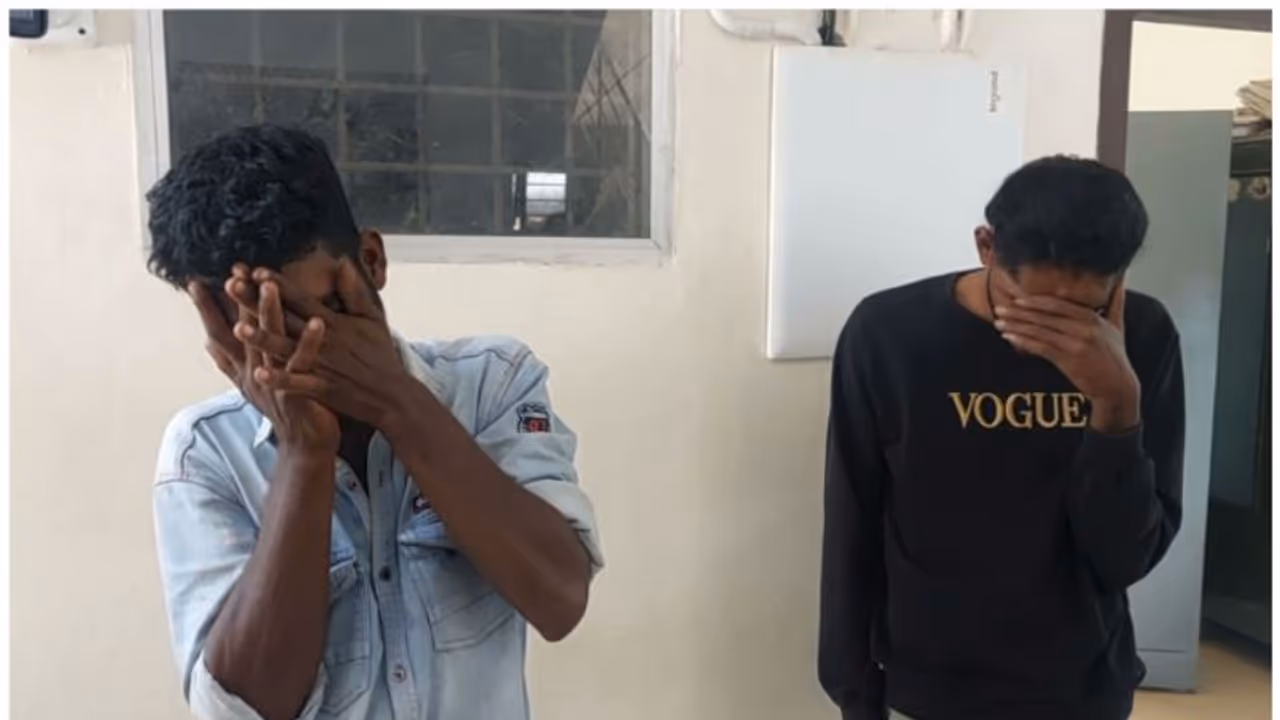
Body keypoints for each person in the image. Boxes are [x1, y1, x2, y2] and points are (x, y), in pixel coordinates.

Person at [147, 125, 602, 720]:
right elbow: (246, 710)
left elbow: (560, 601)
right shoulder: (204, 455)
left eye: (314, 321)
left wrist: (398, 404)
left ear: (370, 261)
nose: (300, 359)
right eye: (261, 336)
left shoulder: (492, 382)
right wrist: (303, 455)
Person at [818, 156, 1184, 720]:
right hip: (928, 687)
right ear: (985, 247)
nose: (1053, 334)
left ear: (1119, 281)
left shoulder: (1146, 336)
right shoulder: (889, 333)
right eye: (1028, 305)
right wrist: (853, 691)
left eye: (1081, 313)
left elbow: (1123, 559)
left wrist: (1116, 405)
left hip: (1080, 689)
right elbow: (852, 517)